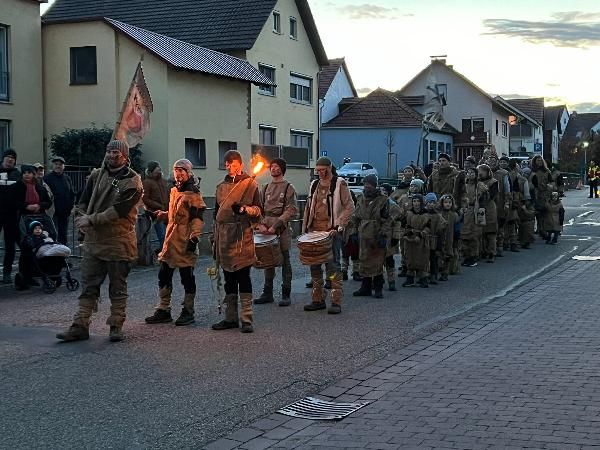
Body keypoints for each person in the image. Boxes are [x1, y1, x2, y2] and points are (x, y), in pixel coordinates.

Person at [56, 140, 143, 343]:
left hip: (118, 242)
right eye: (108, 151)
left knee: (117, 287)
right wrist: (81, 216)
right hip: (94, 242)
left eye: (115, 152)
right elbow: (83, 200)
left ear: (124, 156)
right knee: (89, 286)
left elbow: (119, 211)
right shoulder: (97, 175)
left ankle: (116, 325)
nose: (111, 155)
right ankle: (80, 324)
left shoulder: (133, 180)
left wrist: (92, 219)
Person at [145, 159, 206, 326]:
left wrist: (194, 237)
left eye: (182, 171)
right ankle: (163, 310)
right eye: (176, 170)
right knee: (164, 274)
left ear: (188, 172)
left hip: (185, 240)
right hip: (171, 240)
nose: (178, 174)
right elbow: (175, 214)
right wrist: (160, 214)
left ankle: (188, 311)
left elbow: (197, 218)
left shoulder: (193, 193)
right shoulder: (174, 190)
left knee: (187, 277)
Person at [211, 150, 262, 333]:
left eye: (232, 163)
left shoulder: (251, 184)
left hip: (241, 235)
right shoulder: (220, 186)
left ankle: (246, 319)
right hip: (223, 236)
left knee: (243, 277)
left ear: (240, 164)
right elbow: (216, 214)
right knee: (228, 279)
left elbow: (258, 211)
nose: (228, 166)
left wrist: (245, 210)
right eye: (226, 163)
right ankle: (230, 318)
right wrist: (213, 237)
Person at [301, 157, 354, 314]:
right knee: (314, 265)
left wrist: (339, 226)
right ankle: (317, 299)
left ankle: (335, 301)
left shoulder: (339, 183)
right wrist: (305, 229)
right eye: (317, 170)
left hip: (331, 232)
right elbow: (309, 207)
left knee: (333, 267)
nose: (320, 173)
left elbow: (350, 206)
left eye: (323, 170)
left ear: (330, 168)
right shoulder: (314, 184)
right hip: (314, 231)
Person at [254, 158, 298, 307]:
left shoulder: (288, 188)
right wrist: (260, 224)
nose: (273, 169)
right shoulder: (265, 187)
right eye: (272, 166)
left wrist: (278, 224)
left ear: (282, 169)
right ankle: (267, 292)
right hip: (266, 228)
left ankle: (286, 293)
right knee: (268, 260)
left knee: (285, 260)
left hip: (282, 229)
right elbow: (258, 208)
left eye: (277, 166)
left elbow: (291, 210)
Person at [348, 174, 391, 299]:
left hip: (376, 233)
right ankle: (365, 287)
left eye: (370, 184)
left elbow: (387, 220)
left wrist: (383, 234)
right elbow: (355, 216)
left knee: (377, 261)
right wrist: (354, 232)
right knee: (364, 260)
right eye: (365, 184)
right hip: (363, 233)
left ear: (374, 185)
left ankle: (378, 287)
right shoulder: (360, 198)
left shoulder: (383, 200)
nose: (367, 187)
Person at [15, 165, 54, 239]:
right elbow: (14, 202)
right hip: (24, 216)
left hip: (40, 215)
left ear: (33, 174)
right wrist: (26, 206)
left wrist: (39, 205)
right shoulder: (18, 186)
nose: (26, 174)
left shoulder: (40, 187)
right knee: (26, 239)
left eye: (29, 172)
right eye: (24, 173)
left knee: (51, 234)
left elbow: (48, 202)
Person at [0, 149, 21, 283]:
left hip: (11, 215)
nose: (10, 159)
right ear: (3, 158)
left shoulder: (17, 174)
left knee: (10, 245)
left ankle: (7, 273)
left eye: (12, 158)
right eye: (7, 157)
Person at [459, 167, 487, 267]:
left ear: (476, 174)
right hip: (465, 211)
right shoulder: (464, 185)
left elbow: (483, 199)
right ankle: (467, 256)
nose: (470, 174)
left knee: (473, 235)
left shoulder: (479, 185)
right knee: (464, 235)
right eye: (468, 172)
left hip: (475, 211)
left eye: (472, 172)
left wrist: (480, 210)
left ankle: (473, 256)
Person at [44, 156, 75, 245]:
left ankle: (63, 255)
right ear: (53, 166)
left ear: (63, 166)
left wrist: (71, 206)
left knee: (63, 235)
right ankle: (52, 255)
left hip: (65, 213)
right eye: (56, 164)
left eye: (60, 164)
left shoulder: (67, 178)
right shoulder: (47, 178)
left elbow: (72, 193)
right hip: (53, 213)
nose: (58, 166)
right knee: (52, 235)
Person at [401, 194, 430, 288]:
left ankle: (423, 278)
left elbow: (428, 227)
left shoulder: (426, 214)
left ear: (421, 202)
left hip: (421, 240)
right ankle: (410, 278)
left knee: (422, 259)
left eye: (418, 201)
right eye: (414, 201)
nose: (416, 203)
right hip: (410, 240)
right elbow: (406, 226)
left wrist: (420, 235)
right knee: (410, 257)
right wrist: (408, 235)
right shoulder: (409, 213)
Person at [142, 160, 170, 253]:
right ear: (152, 170)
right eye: (157, 168)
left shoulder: (163, 182)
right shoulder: (147, 182)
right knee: (162, 235)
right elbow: (145, 199)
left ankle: (162, 253)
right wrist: (159, 206)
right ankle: (164, 255)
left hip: (166, 212)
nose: (159, 170)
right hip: (155, 213)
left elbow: (168, 195)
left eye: (159, 168)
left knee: (167, 235)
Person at [488, 155, 511, 257]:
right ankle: (489, 248)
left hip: (500, 203)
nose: (492, 162)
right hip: (488, 203)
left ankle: (500, 245)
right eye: (490, 160)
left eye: (494, 161)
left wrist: (507, 202)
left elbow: (507, 190)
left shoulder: (503, 173)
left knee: (499, 225)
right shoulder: (484, 171)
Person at [380, 183, 402, 291]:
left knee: (389, 260)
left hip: (389, 237)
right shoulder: (376, 204)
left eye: (384, 191)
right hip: (378, 236)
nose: (382, 193)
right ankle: (378, 279)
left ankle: (391, 280)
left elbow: (397, 223)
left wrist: (396, 237)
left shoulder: (394, 206)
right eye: (380, 191)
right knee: (378, 260)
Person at [477, 164, 499, 263]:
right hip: (479, 208)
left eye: (481, 171)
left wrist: (483, 191)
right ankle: (483, 251)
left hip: (489, 208)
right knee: (481, 232)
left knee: (491, 232)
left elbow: (491, 195)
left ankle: (491, 253)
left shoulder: (493, 182)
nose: (480, 174)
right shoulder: (476, 182)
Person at [423, 193, 446, 285]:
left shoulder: (438, 216)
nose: (431, 204)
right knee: (424, 258)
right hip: (423, 239)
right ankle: (423, 274)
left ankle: (433, 275)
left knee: (433, 258)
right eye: (429, 202)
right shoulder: (423, 214)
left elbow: (440, 231)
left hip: (433, 240)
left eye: (433, 202)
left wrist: (439, 246)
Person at [439, 194, 460, 281]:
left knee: (448, 254)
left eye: (449, 202)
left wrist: (456, 237)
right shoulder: (439, 214)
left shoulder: (454, 215)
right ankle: (437, 270)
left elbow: (457, 228)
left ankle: (445, 272)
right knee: (439, 254)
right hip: (439, 237)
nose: (447, 204)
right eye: (446, 202)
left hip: (450, 238)